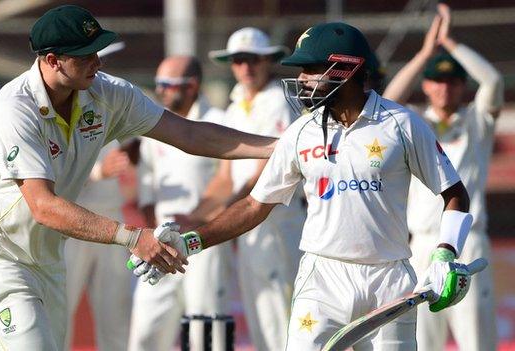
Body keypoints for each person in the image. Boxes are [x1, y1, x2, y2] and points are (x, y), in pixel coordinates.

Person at [0, 5, 277, 351]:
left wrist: (279, 148)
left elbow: (189, 134)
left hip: (49, 258)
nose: (98, 63)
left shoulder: (108, 93)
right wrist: (133, 237)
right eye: (86, 55)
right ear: (53, 60)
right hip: (0, 255)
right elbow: (44, 206)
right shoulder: (15, 109)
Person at [137, 22, 477, 350]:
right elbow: (255, 205)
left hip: (388, 279)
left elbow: (455, 193)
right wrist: (190, 241)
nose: (300, 79)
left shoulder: (402, 124)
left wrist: (446, 252)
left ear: (346, 68)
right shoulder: (302, 131)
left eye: (310, 69)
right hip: (322, 278)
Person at [383, 4, 502, 350]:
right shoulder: (415, 123)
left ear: (462, 86)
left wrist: (449, 43)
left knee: (476, 340)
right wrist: (424, 53)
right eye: (437, 80)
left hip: (467, 242)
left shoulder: (477, 121)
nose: (445, 88)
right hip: (421, 245)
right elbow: (389, 98)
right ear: (427, 85)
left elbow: (492, 80)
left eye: (452, 81)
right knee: (424, 341)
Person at [202, 27, 305, 351]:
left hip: (277, 222)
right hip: (247, 224)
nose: (246, 67)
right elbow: (224, 176)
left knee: (281, 313)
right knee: (259, 311)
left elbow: (266, 174)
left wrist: (224, 214)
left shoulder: (279, 101)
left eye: (253, 60)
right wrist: (198, 216)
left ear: (268, 61)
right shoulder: (234, 105)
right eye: (239, 60)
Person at [128, 56, 232, 351]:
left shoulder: (219, 122)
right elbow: (146, 193)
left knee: (207, 332)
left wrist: (197, 220)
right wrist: (155, 237)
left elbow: (228, 183)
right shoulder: (154, 127)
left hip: (204, 243)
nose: (160, 91)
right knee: (145, 332)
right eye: (158, 84)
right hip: (161, 244)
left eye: (167, 85)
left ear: (192, 86)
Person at [63, 41, 134, 351]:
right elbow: (54, 177)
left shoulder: (116, 102)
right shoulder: (62, 108)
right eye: (95, 61)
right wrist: (97, 173)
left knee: (115, 310)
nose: (102, 69)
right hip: (74, 221)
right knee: (60, 306)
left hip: (113, 220)